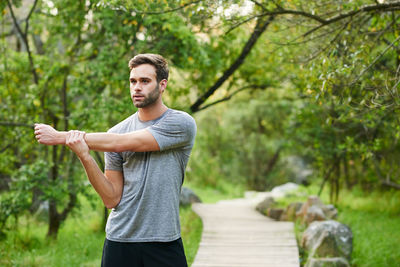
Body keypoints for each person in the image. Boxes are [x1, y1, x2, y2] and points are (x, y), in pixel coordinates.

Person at [34, 53, 196, 267]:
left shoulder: (181, 123)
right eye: (133, 81)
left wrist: (60, 137)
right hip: (120, 241)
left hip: (164, 242)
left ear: (162, 84)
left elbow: (127, 142)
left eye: (145, 81)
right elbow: (111, 199)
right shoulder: (115, 133)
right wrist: (84, 155)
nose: (136, 87)